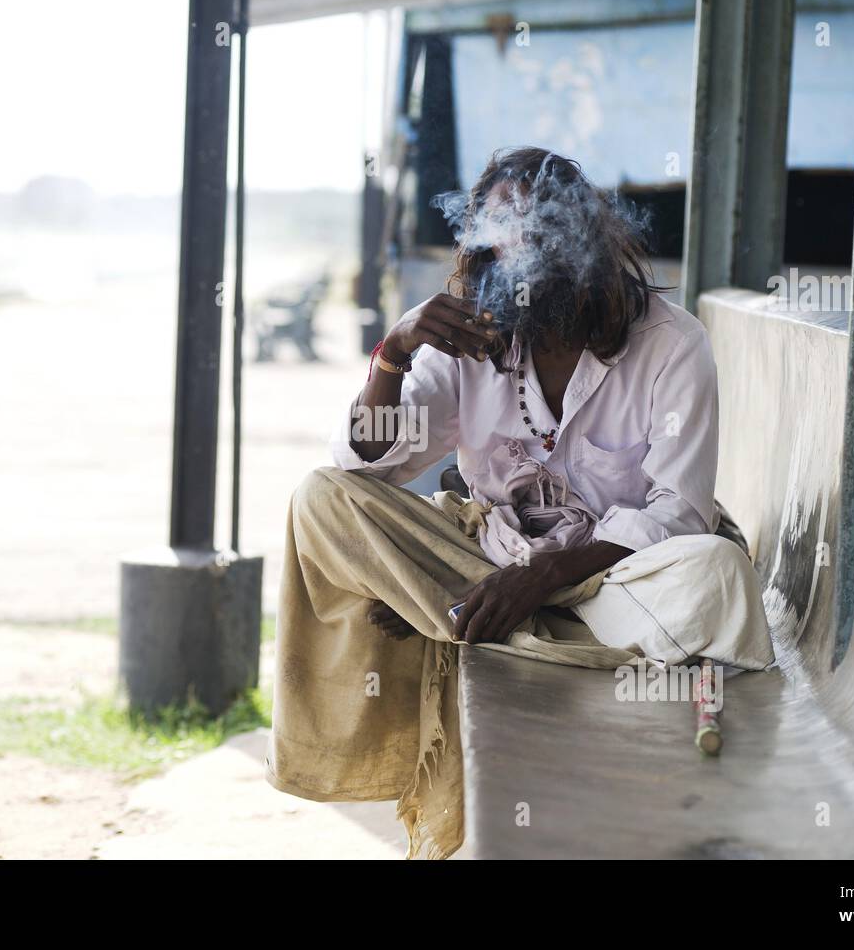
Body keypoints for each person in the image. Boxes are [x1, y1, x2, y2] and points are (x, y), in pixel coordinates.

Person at [266, 147, 774, 859]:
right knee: (320, 499)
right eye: (502, 240)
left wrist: (538, 578)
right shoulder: (471, 337)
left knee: (718, 574)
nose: (522, 264)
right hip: (484, 555)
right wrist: (394, 353)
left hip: (614, 580)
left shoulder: (673, 345)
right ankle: (491, 615)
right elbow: (368, 461)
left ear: (586, 247)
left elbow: (678, 513)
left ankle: (455, 612)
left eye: (541, 237)